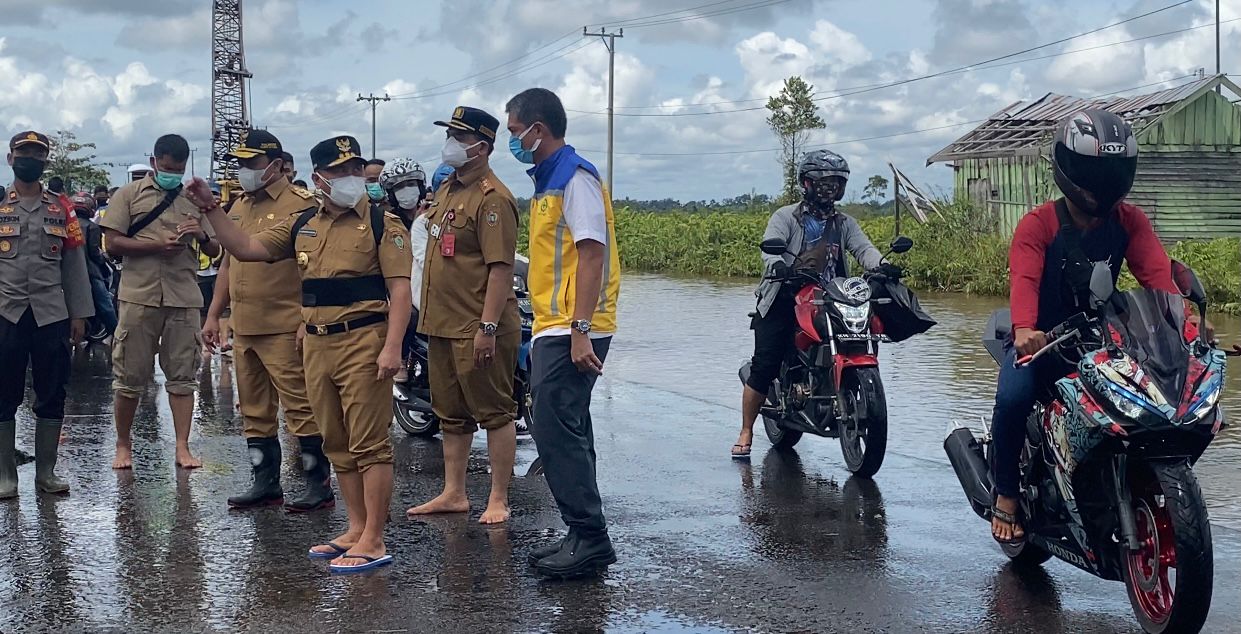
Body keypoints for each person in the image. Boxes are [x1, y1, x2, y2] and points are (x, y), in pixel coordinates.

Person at [186, 135, 411, 573]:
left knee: (369, 443)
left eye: (354, 170)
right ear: (319, 179)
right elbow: (247, 249)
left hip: (363, 339)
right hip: (316, 342)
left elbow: (400, 291)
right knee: (336, 440)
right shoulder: (304, 222)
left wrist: (392, 347)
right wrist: (211, 208)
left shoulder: (384, 224)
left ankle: (374, 537)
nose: (350, 179)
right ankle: (354, 527)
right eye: (341, 172)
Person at [989, 109, 1177, 543]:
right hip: (1042, 342)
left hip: (1102, 341)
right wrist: (1024, 330)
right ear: (1069, 168)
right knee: (1014, 398)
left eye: (1113, 169)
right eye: (1096, 170)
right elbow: (1025, 280)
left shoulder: (1130, 221)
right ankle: (1006, 495)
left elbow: (1159, 280)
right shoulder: (1039, 224)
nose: (1105, 181)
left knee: (1154, 402)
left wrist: (1182, 328)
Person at [504, 88, 622, 577]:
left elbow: (592, 254)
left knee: (555, 429)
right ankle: (582, 532)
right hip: (555, 324)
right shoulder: (547, 180)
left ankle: (590, 538)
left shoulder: (574, 178)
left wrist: (579, 329)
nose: (513, 141)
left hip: (573, 326)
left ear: (538, 129)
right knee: (568, 426)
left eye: (514, 132)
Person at [202, 130, 334, 513]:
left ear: (276, 165)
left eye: (252, 163)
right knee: (255, 410)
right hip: (245, 325)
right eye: (240, 163)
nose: (244, 170)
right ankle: (266, 484)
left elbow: (317, 266)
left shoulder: (301, 205)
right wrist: (215, 313)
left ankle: (317, 485)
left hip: (284, 324)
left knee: (301, 408)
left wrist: (306, 319)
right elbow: (228, 260)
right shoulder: (239, 205)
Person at [731, 150, 892, 459]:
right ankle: (746, 430)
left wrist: (883, 266)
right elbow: (770, 249)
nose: (830, 190)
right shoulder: (786, 217)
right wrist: (777, 266)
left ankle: (839, 389)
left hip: (831, 295)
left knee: (861, 336)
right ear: (807, 184)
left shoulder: (844, 223)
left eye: (836, 184)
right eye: (824, 183)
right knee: (765, 363)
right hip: (784, 294)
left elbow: (864, 249)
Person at [407, 106, 521, 526]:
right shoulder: (449, 191)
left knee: (494, 412)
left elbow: (500, 269)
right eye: (449, 135)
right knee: (451, 414)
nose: (450, 144)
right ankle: (454, 492)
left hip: (478, 326)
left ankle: (497, 498)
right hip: (442, 324)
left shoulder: (494, 199)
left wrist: (487, 328)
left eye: (459, 137)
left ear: (483, 147)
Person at [100, 134, 221, 470]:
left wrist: (199, 233)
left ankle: (182, 447)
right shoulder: (128, 195)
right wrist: (154, 246)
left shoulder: (192, 199)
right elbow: (111, 243)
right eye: (167, 168)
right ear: (154, 163)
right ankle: (123, 445)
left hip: (183, 296)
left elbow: (214, 250)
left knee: (183, 376)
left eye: (179, 169)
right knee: (129, 377)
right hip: (140, 296)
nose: (173, 174)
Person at [0, 131, 93, 498]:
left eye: (38, 155)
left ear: (44, 162)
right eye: (24, 154)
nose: (30, 160)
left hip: (50, 313)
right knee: (3, 392)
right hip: (6, 312)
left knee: (52, 391)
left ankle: (46, 473)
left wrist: (80, 313)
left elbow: (74, 263)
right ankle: (6, 476)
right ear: (11, 159)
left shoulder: (61, 208)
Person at [377, 157, 427, 384]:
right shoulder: (385, 221)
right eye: (399, 186)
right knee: (409, 313)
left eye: (411, 184)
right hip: (397, 284)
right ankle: (402, 358)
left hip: (428, 280)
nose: (407, 191)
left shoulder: (432, 213)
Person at [70, 192, 118, 341]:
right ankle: (117, 335)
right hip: (88, 273)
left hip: (66, 273)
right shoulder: (92, 227)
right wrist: (105, 260)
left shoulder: (66, 225)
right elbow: (94, 253)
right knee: (105, 305)